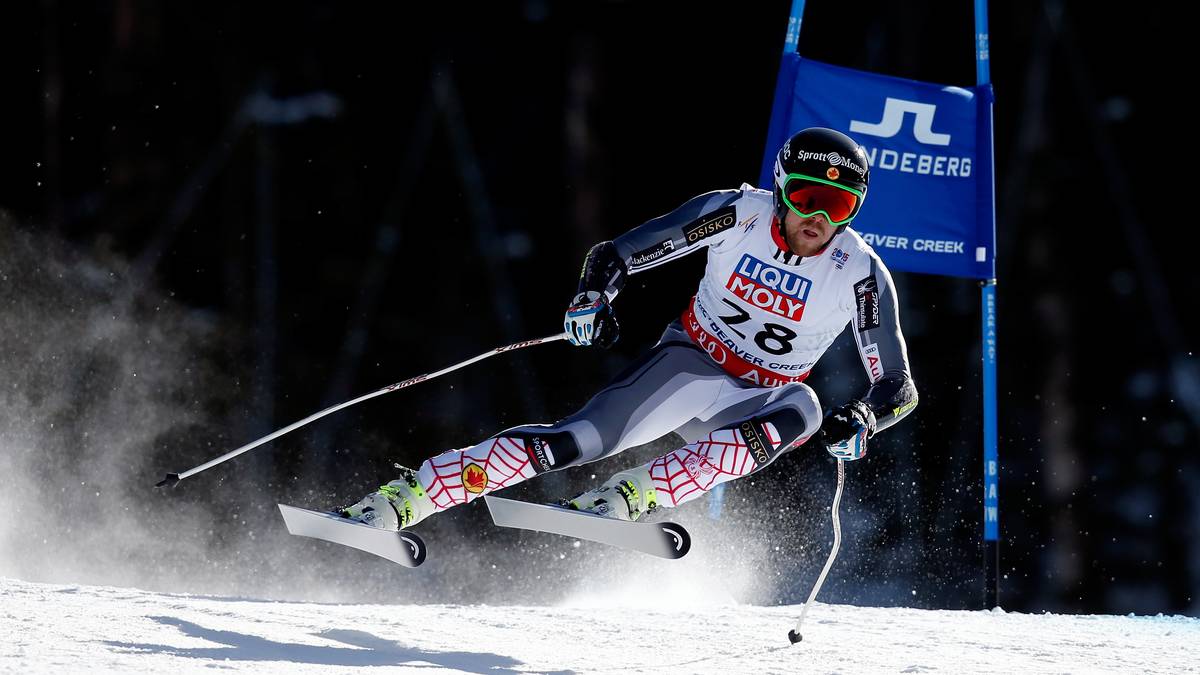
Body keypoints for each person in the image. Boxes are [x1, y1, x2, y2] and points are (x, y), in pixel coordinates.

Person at [340, 127, 918, 530]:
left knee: (806, 408)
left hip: (758, 398)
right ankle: (407, 497)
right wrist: (593, 296)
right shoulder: (737, 214)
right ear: (780, 189)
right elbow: (620, 253)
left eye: (838, 207)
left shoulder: (861, 273)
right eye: (807, 197)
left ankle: (630, 494)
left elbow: (898, 385)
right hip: (690, 365)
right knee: (573, 442)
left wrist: (865, 418)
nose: (818, 219)